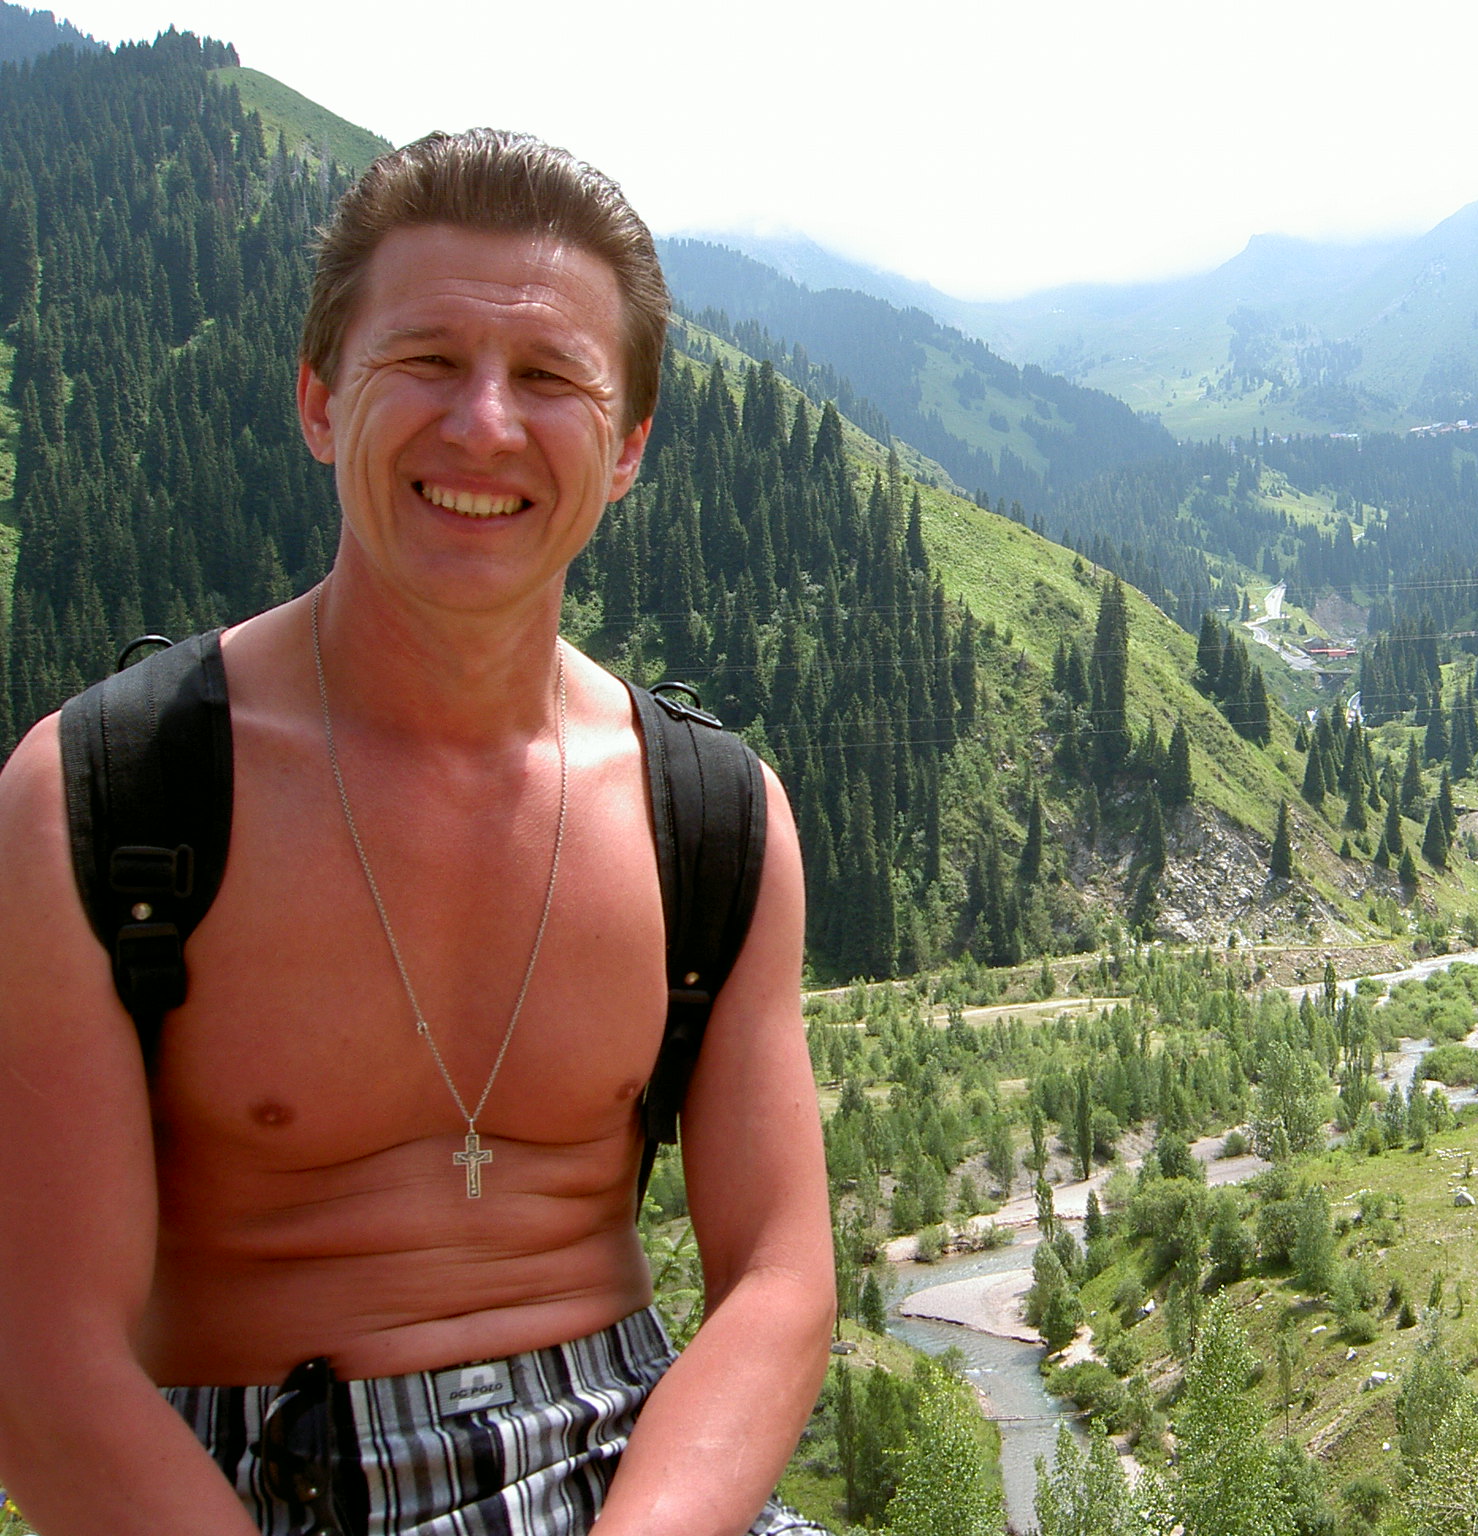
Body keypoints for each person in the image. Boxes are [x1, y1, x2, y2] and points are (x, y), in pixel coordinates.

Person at [0, 130, 835, 1535]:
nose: (485, 426)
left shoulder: (712, 815)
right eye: (428, 360)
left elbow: (781, 1281)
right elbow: (42, 1361)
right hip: (255, 1486)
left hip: (634, 1476)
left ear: (628, 448)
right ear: (322, 401)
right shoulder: (107, 798)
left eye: (552, 378)